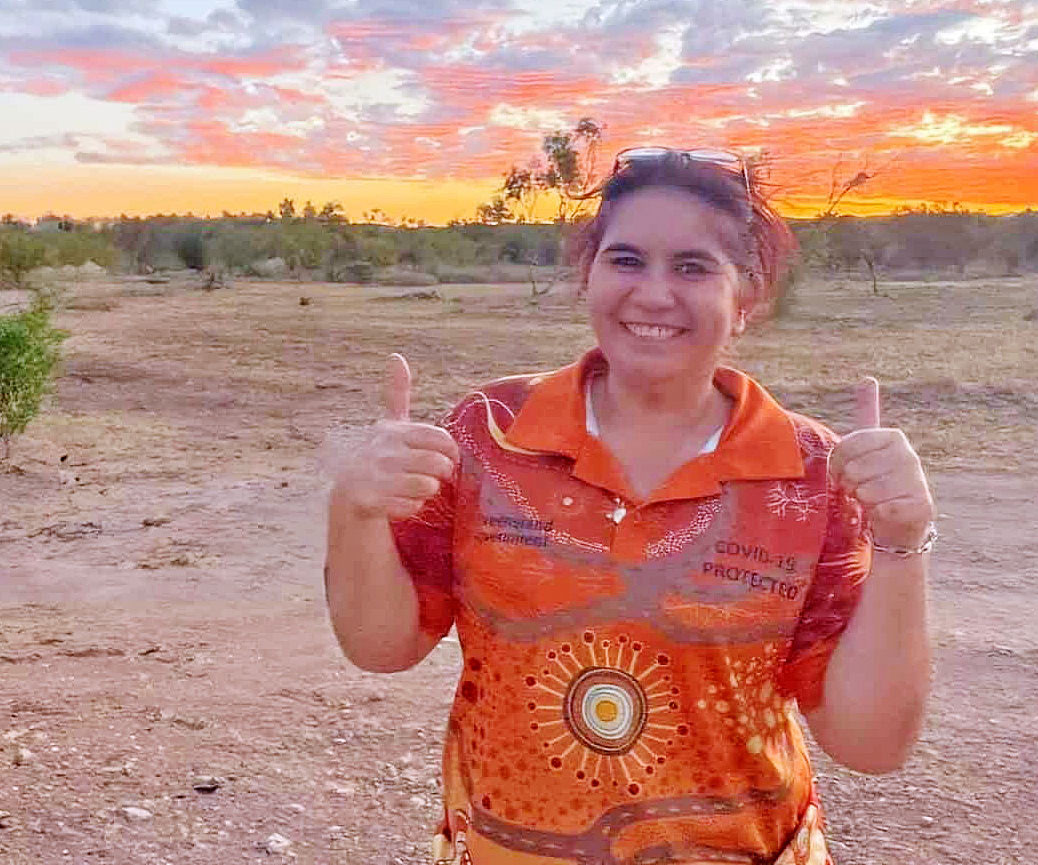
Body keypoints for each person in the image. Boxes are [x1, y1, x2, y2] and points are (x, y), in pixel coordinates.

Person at [324, 148, 935, 865]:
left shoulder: (810, 473)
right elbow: (381, 646)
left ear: (748, 299)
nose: (651, 293)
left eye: (691, 267)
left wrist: (901, 539)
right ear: (589, 277)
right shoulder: (489, 430)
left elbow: (871, 742)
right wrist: (354, 509)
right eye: (625, 260)